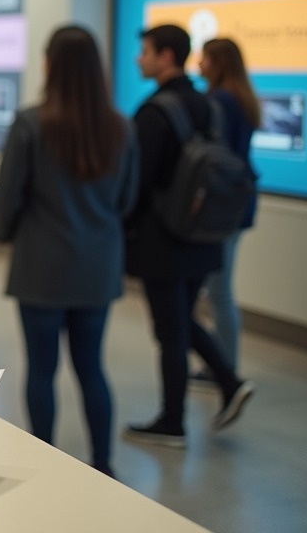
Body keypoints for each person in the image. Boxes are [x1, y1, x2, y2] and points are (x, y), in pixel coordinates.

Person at [0, 26, 139, 477]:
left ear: (50, 65)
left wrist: (4, 232)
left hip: (42, 264)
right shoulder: (121, 127)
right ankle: (103, 463)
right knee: (92, 366)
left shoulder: (31, 123)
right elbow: (127, 201)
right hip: (97, 266)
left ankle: (46, 460)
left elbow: (8, 195)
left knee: (41, 368)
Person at [122, 25, 255, 448]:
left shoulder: (155, 112)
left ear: (165, 56)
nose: (137, 59)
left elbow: (137, 182)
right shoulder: (206, 105)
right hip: (206, 234)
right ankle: (230, 382)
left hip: (164, 238)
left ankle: (173, 421)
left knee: (170, 330)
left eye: (143, 52)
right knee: (182, 318)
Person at [194, 38, 260, 379]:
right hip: (239, 200)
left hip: (222, 204)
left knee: (218, 290)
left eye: (204, 58)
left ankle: (223, 369)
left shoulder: (218, 101)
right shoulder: (242, 99)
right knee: (221, 288)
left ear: (217, 63)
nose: (198, 64)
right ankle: (221, 364)